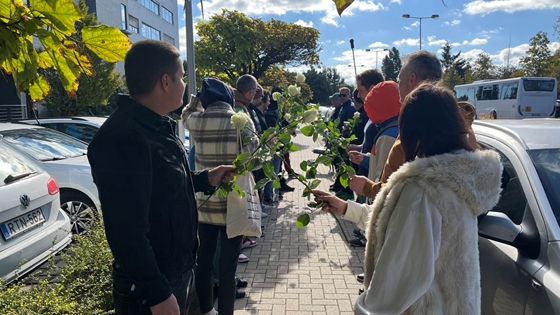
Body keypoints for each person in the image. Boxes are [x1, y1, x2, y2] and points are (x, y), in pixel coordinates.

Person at [314, 83, 504, 314]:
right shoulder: (459, 180)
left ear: (414, 129)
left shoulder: (422, 190)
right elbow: (399, 224)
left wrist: (363, 308)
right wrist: (346, 208)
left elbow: (392, 286)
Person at [87, 40, 234, 315]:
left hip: (177, 273)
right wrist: (158, 294)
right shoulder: (124, 138)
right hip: (153, 290)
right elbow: (126, 233)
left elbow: (163, 185)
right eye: (181, 77)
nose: (184, 85)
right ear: (165, 81)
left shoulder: (156, 125)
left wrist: (205, 179)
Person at [183, 77, 259, 315]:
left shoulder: (197, 121)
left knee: (203, 263)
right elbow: (255, 160)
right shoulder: (241, 121)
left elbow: (185, 113)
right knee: (228, 270)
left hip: (204, 205)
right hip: (233, 207)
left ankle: (206, 310)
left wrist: (196, 98)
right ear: (229, 98)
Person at [349, 50, 443, 200]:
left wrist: (365, 189)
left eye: (399, 80)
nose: (397, 86)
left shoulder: (414, 127)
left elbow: (398, 191)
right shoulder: (448, 121)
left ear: (412, 79)